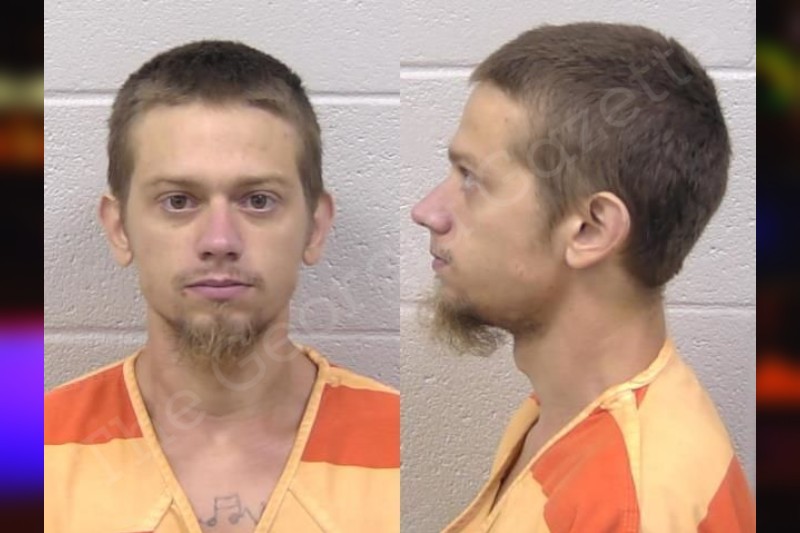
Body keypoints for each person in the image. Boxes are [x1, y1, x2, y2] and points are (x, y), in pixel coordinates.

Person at [411, 22, 755, 532]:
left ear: (590, 229)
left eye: (472, 179)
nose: (427, 211)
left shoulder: (628, 508)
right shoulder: (569, 413)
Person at [45, 40, 399, 533]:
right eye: (177, 201)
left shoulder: (399, 443)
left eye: (258, 200)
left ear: (315, 227)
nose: (219, 241)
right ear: (120, 228)